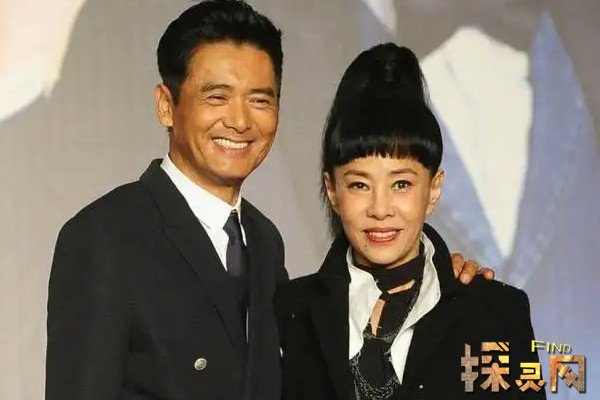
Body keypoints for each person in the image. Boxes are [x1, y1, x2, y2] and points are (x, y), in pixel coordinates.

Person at [46, 2, 491, 399]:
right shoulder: (106, 237)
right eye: (217, 97)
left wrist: (436, 274)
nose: (240, 121)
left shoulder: (263, 241)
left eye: (260, 99)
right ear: (166, 104)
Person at [275, 43, 544, 399]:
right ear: (332, 190)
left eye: (401, 184)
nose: (380, 209)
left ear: (434, 189)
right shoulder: (288, 313)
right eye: (359, 185)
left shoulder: (497, 312)